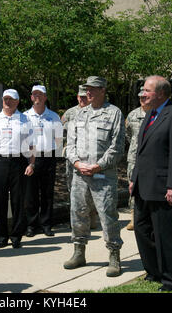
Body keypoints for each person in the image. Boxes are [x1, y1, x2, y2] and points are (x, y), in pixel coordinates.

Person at [129, 75, 172, 291]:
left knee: (167, 235)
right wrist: (134, 178)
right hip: (144, 187)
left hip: (165, 189)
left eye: (146, 90)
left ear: (161, 93)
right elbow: (142, 150)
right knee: (142, 229)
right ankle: (154, 271)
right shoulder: (151, 114)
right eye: (142, 90)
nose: (142, 94)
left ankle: (171, 279)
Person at [65, 76, 125, 277]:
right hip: (80, 175)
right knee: (78, 213)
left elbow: (117, 147)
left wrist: (98, 166)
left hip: (103, 176)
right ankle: (79, 252)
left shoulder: (114, 113)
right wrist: (76, 162)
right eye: (87, 89)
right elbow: (70, 144)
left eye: (92, 89)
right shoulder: (79, 115)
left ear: (103, 90)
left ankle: (114, 256)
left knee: (108, 216)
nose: (88, 92)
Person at [0, 89, 35, 249]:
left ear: (17, 101)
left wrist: (31, 163)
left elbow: (32, 145)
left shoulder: (25, 120)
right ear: (2, 100)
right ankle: (2, 236)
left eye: (11, 99)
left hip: (18, 162)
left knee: (18, 200)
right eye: (5, 99)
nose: (8, 102)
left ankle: (16, 236)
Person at [23, 85, 63, 237]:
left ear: (46, 97)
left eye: (40, 94)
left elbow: (58, 138)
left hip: (48, 157)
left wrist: (55, 154)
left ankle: (46, 224)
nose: (37, 97)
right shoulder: (25, 116)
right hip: (30, 157)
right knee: (30, 193)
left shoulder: (53, 116)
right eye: (35, 94)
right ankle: (31, 225)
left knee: (47, 193)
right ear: (31, 97)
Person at [61, 85, 98, 229]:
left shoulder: (96, 112)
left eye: (85, 96)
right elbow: (61, 133)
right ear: (77, 97)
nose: (82, 99)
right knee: (73, 188)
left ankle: (92, 217)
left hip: (90, 157)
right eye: (80, 96)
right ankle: (76, 220)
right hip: (72, 158)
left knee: (91, 188)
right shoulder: (70, 113)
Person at [124, 86, 151, 230]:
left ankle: (149, 217)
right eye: (140, 97)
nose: (142, 100)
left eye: (145, 97)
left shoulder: (157, 114)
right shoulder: (132, 116)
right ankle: (134, 217)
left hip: (153, 159)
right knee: (133, 188)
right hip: (135, 158)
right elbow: (128, 135)